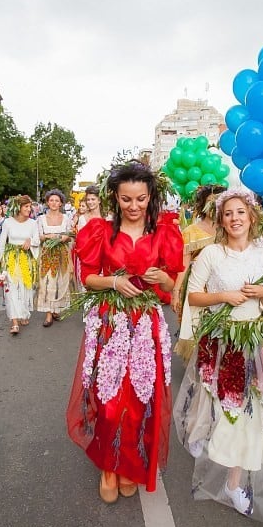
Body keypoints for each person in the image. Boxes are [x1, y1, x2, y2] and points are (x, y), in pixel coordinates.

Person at [66, 162, 184, 503]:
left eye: (141, 199)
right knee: (108, 399)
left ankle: (130, 465)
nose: (134, 206)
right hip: (110, 322)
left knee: (138, 400)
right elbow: (87, 278)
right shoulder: (100, 231)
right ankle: (108, 467)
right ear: (115, 198)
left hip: (146, 326)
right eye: (126, 199)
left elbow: (172, 284)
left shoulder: (165, 233)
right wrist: (114, 281)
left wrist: (164, 280)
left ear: (151, 197)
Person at [173, 189, 263, 523]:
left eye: (240, 212)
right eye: (227, 214)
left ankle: (235, 484)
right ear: (221, 221)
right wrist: (224, 296)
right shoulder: (211, 254)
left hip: (254, 344)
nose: (234, 219)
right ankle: (203, 437)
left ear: (251, 217)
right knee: (218, 407)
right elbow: (194, 297)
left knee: (249, 416)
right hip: (221, 343)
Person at [172, 184, 226, 359]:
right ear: (202, 204)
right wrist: (176, 292)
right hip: (198, 285)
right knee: (197, 324)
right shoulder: (191, 231)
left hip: (222, 284)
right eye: (210, 201)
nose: (214, 206)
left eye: (219, 201)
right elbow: (184, 264)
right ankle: (198, 365)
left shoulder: (229, 228)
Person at [0, 195, 40, 335]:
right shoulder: (8, 222)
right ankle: (14, 321)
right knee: (11, 288)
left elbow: (37, 239)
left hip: (26, 259)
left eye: (29, 206)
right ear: (18, 208)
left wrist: (30, 241)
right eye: (26, 206)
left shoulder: (32, 223)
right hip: (11, 259)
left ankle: (24, 313)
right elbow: (2, 241)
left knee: (26, 287)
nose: (29, 209)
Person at [36, 189, 74, 327]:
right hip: (47, 253)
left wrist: (64, 237)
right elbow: (38, 236)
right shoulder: (40, 219)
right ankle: (48, 313)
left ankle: (56, 309)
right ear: (47, 202)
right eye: (51, 200)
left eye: (56, 201)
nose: (53, 203)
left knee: (61, 282)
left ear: (61, 203)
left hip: (62, 253)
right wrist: (47, 237)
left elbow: (70, 235)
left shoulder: (66, 218)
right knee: (48, 282)